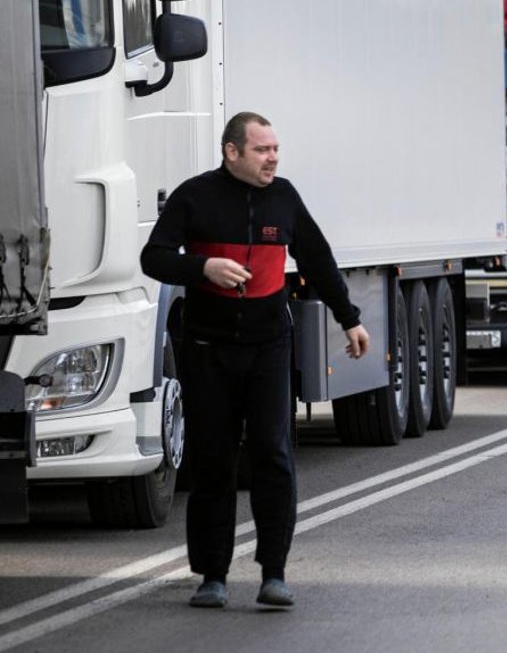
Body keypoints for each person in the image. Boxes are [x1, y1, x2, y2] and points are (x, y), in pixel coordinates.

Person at [141, 111, 370, 609]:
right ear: (233, 152)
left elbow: (318, 260)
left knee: (272, 454)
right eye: (263, 149)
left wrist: (349, 318)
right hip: (207, 351)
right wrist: (202, 266)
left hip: (269, 348)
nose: (273, 158)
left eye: (275, 149)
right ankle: (213, 576)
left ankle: (274, 572)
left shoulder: (284, 198)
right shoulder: (195, 196)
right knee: (214, 461)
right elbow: (153, 257)